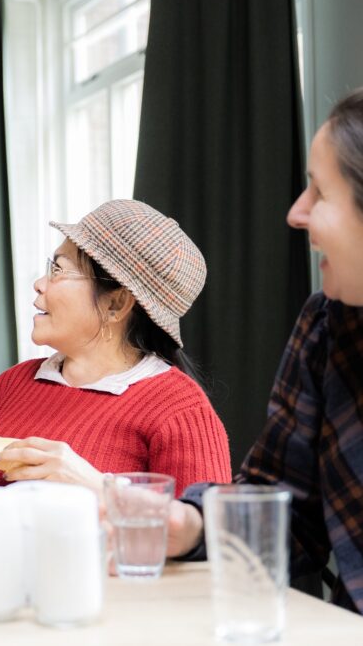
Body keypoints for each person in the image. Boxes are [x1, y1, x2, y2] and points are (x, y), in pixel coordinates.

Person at [167, 89, 363, 614]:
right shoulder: (325, 330)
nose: (296, 214)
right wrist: (188, 523)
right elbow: (285, 515)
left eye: (320, 192)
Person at [0, 199, 232, 529]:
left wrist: (97, 488)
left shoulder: (180, 410)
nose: (40, 283)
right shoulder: (12, 384)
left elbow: (208, 542)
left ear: (116, 304)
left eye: (58, 270)